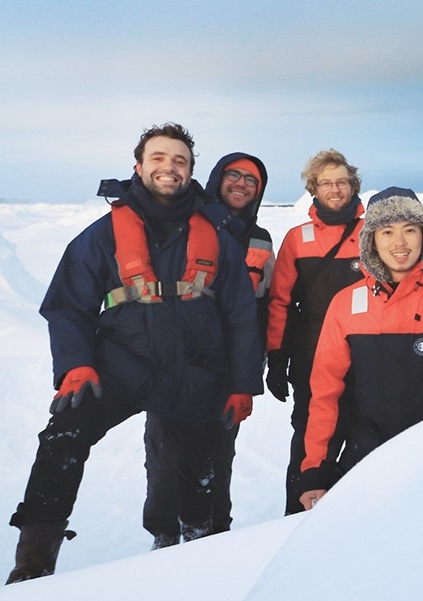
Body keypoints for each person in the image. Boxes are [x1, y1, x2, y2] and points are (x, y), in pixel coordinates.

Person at [6, 123, 263, 583]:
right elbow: (68, 304)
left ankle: (199, 561)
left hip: (194, 371)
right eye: (160, 158)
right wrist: (76, 365)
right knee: (62, 437)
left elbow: (242, 316)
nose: (170, 167)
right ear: (139, 167)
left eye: (180, 160)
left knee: (199, 474)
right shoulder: (103, 234)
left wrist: (243, 383)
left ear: (190, 171)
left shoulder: (217, 236)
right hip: (120, 366)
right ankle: (32, 565)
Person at [297, 188, 423, 510]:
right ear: (371, 239)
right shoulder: (345, 304)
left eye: (410, 230)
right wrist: (315, 470)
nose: (400, 243)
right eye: (387, 231)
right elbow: (327, 394)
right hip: (365, 463)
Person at [142, 152, 275, 548]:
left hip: (227, 369)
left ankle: (214, 537)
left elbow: (262, 306)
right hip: (174, 362)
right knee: (165, 454)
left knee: (219, 455)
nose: (241, 184)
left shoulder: (261, 239)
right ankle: (165, 534)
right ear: (217, 178)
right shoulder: (185, 222)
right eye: (233, 175)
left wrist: (254, 368)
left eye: (252, 180)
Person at [265, 149, 365, 514]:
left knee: (360, 439)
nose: (335, 189)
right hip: (311, 357)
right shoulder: (298, 238)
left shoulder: (372, 234)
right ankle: (295, 517)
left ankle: (350, 516)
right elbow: (280, 302)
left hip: (364, 355)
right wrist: (276, 358)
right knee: (310, 441)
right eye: (327, 183)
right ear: (314, 189)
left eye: (342, 182)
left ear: (353, 185)